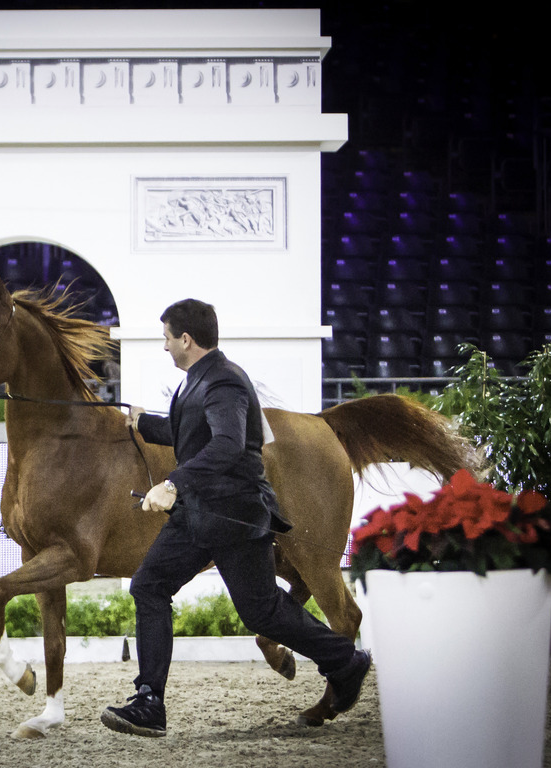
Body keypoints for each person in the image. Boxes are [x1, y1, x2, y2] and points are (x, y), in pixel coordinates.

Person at [100, 299, 371, 738]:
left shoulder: (224, 382)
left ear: (186, 339)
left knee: (262, 612)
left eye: (167, 337)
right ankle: (149, 701)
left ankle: (346, 662)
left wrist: (171, 484)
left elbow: (226, 445)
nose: (165, 346)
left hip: (232, 514)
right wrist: (142, 423)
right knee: (149, 585)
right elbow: (190, 434)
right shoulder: (198, 380)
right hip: (200, 515)